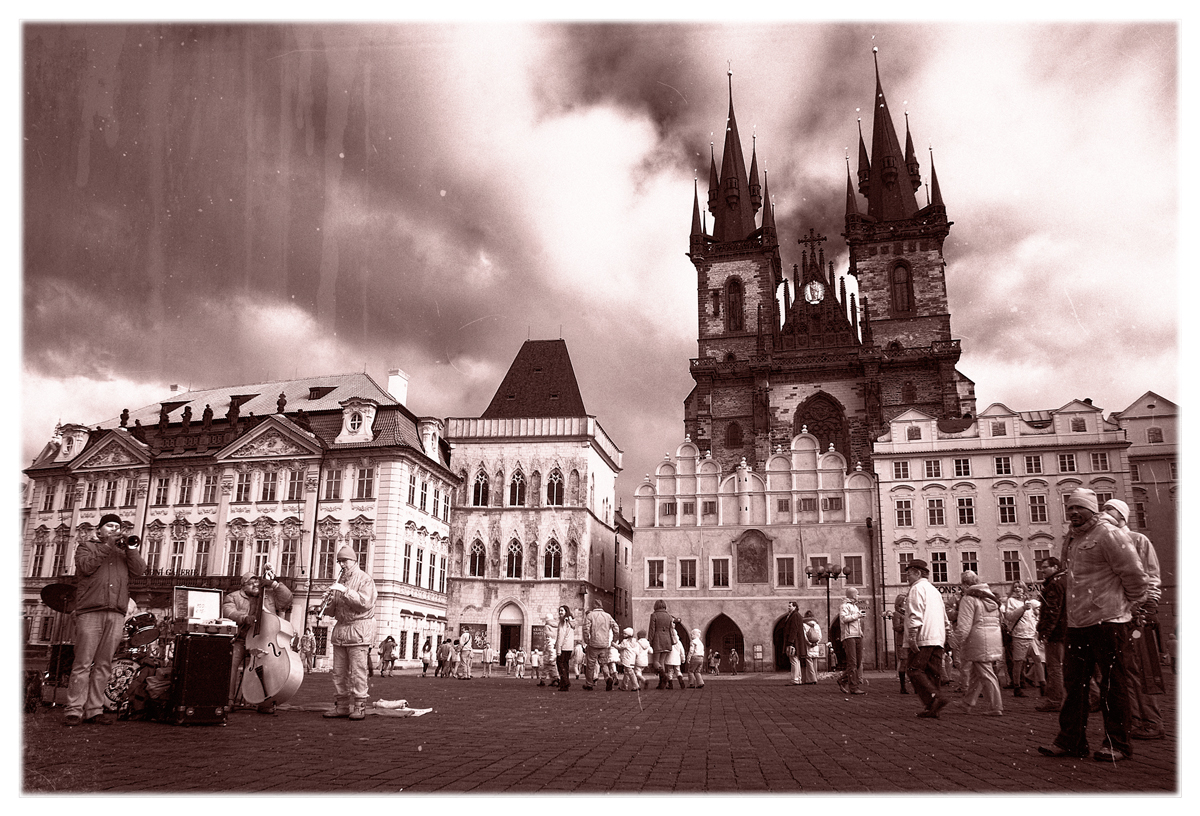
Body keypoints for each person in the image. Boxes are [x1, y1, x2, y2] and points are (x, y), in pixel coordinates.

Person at [1038, 488, 1148, 762]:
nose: (1073, 513)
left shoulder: (1109, 533)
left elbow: (1134, 574)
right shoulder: (1072, 538)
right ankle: (1071, 740)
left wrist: (1130, 606)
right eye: (1070, 508)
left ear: (1092, 509)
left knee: (1113, 684)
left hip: (1108, 621)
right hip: (1078, 623)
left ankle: (1118, 744)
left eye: (1080, 508)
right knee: (1074, 685)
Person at [62, 514, 147, 726]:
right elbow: (86, 567)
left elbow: (139, 570)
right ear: (99, 530)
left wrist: (131, 549)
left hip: (116, 612)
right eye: (109, 526)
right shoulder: (86, 547)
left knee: (104, 664)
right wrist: (108, 545)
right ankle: (74, 709)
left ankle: (94, 709)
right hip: (90, 610)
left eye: (117, 526)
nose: (114, 529)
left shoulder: (122, 553)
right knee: (82, 663)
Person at [1103, 498, 1166, 741]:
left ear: (1122, 516)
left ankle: (1152, 721)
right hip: (1117, 614)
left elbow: (1151, 575)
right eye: (1104, 508)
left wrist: (1149, 605)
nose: (1105, 512)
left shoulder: (1139, 540)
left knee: (1143, 667)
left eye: (1111, 509)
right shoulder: (1105, 540)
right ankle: (1135, 718)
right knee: (1125, 669)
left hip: (1138, 615)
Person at [223, 568, 294, 714]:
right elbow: (228, 611)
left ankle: (265, 700)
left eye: (257, 583)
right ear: (243, 585)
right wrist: (244, 618)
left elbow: (287, 598)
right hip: (241, 639)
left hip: (263, 640)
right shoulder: (234, 597)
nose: (256, 586)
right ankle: (228, 699)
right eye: (251, 583)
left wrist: (274, 584)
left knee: (268, 669)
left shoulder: (268, 596)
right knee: (231, 665)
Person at [321, 546, 377, 721]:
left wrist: (345, 592)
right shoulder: (340, 581)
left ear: (354, 561)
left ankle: (360, 705)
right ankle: (342, 706)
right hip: (341, 631)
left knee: (358, 671)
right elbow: (332, 611)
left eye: (345, 561)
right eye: (339, 561)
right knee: (338, 672)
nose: (342, 564)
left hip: (358, 630)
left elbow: (364, 603)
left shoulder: (365, 579)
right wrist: (328, 602)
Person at [951, 571, 1004, 716]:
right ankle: (967, 703)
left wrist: (954, 641)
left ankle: (996, 706)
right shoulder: (991, 598)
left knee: (986, 672)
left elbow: (964, 626)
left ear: (966, 584)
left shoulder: (969, 598)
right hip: (992, 636)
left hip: (978, 639)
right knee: (977, 673)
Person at [905, 559, 950, 718]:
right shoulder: (934, 590)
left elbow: (915, 614)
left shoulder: (916, 589)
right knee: (932, 673)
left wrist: (912, 636)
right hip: (937, 637)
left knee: (914, 670)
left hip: (923, 637)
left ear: (917, 573)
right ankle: (933, 707)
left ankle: (934, 698)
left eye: (909, 573)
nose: (907, 577)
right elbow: (944, 616)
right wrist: (947, 633)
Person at [1035, 557, 1068, 712]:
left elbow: (1052, 611)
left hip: (1057, 632)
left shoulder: (1054, 584)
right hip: (1068, 629)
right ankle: (1093, 697)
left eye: (1045, 567)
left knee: (1054, 667)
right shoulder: (1066, 580)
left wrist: (1046, 631)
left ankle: (1054, 700)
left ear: (1055, 567)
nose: (1042, 570)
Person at [1003, 582, 1043, 697]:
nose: (1017, 589)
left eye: (1020, 587)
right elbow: (1009, 616)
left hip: (1031, 635)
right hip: (1019, 635)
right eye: (1015, 587)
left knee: (1038, 659)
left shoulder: (1028, 600)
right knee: (1018, 661)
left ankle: (1043, 685)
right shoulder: (1011, 601)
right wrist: (1022, 609)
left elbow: (1031, 617)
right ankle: (1017, 686)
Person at [583, 600, 619, 691]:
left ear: (594, 606)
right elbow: (616, 628)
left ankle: (589, 684)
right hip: (604, 644)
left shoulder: (590, 615)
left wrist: (587, 640)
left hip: (593, 643)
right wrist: (614, 639)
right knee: (604, 664)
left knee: (590, 664)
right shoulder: (608, 616)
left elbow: (586, 629)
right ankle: (608, 678)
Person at [837, 588, 867, 695]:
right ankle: (853, 687)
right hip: (849, 636)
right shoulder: (844, 606)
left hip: (857, 635)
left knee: (857, 662)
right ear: (853, 595)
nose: (858, 596)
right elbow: (843, 619)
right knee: (853, 662)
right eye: (857, 594)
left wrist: (860, 632)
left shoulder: (855, 606)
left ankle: (842, 680)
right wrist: (857, 616)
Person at [647, 599, 674, 689]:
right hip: (667, 640)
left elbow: (652, 630)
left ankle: (664, 677)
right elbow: (671, 630)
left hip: (657, 640)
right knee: (661, 662)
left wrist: (649, 641)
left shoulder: (654, 615)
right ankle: (662, 683)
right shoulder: (669, 616)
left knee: (655, 661)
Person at [782, 601, 805, 686]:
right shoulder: (796, 615)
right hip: (796, 641)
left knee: (794, 660)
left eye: (790, 606)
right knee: (796, 660)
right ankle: (798, 679)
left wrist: (790, 642)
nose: (788, 608)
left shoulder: (794, 615)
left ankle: (795, 679)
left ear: (795, 607)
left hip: (794, 642)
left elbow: (793, 629)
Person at [555, 606, 576, 692]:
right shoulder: (571, 621)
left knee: (560, 664)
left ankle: (565, 682)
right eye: (559, 610)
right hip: (569, 647)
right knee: (565, 665)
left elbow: (561, 636)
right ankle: (564, 685)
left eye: (562, 611)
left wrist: (558, 649)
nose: (560, 612)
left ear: (566, 611)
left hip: (563, 647)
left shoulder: (563, 622)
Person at [892, 592, 909, 693]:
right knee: (904, 662)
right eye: (905, 601)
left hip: (909, 640)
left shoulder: (908, 612)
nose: (906, 603)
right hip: (902, 641)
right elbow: (896, 627)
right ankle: (903, 687)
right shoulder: (897, 614)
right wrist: (906, 625)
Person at [800, 611, 821, 684]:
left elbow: (804, 636)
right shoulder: (817, 625)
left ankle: (812, 679)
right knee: (815, 663)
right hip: (815, 646)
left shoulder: (804, 625)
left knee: (809, 663)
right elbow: (820, 636)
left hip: (808, 646)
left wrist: (809, 643)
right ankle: (815, 677)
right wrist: (816, 643)